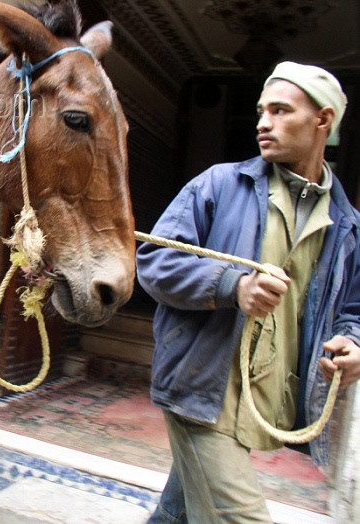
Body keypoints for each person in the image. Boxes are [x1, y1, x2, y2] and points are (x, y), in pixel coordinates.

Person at [136, 61, 360, 523]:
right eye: (261, 111)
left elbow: (353, 309)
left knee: (178, 512)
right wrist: (232, 286)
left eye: (280, 111)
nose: (263, 122)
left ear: (323, 120)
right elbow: (154, 262)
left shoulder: (348, 226)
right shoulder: (218, 184)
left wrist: (352, 341)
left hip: (265, 399)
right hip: (200, 389)